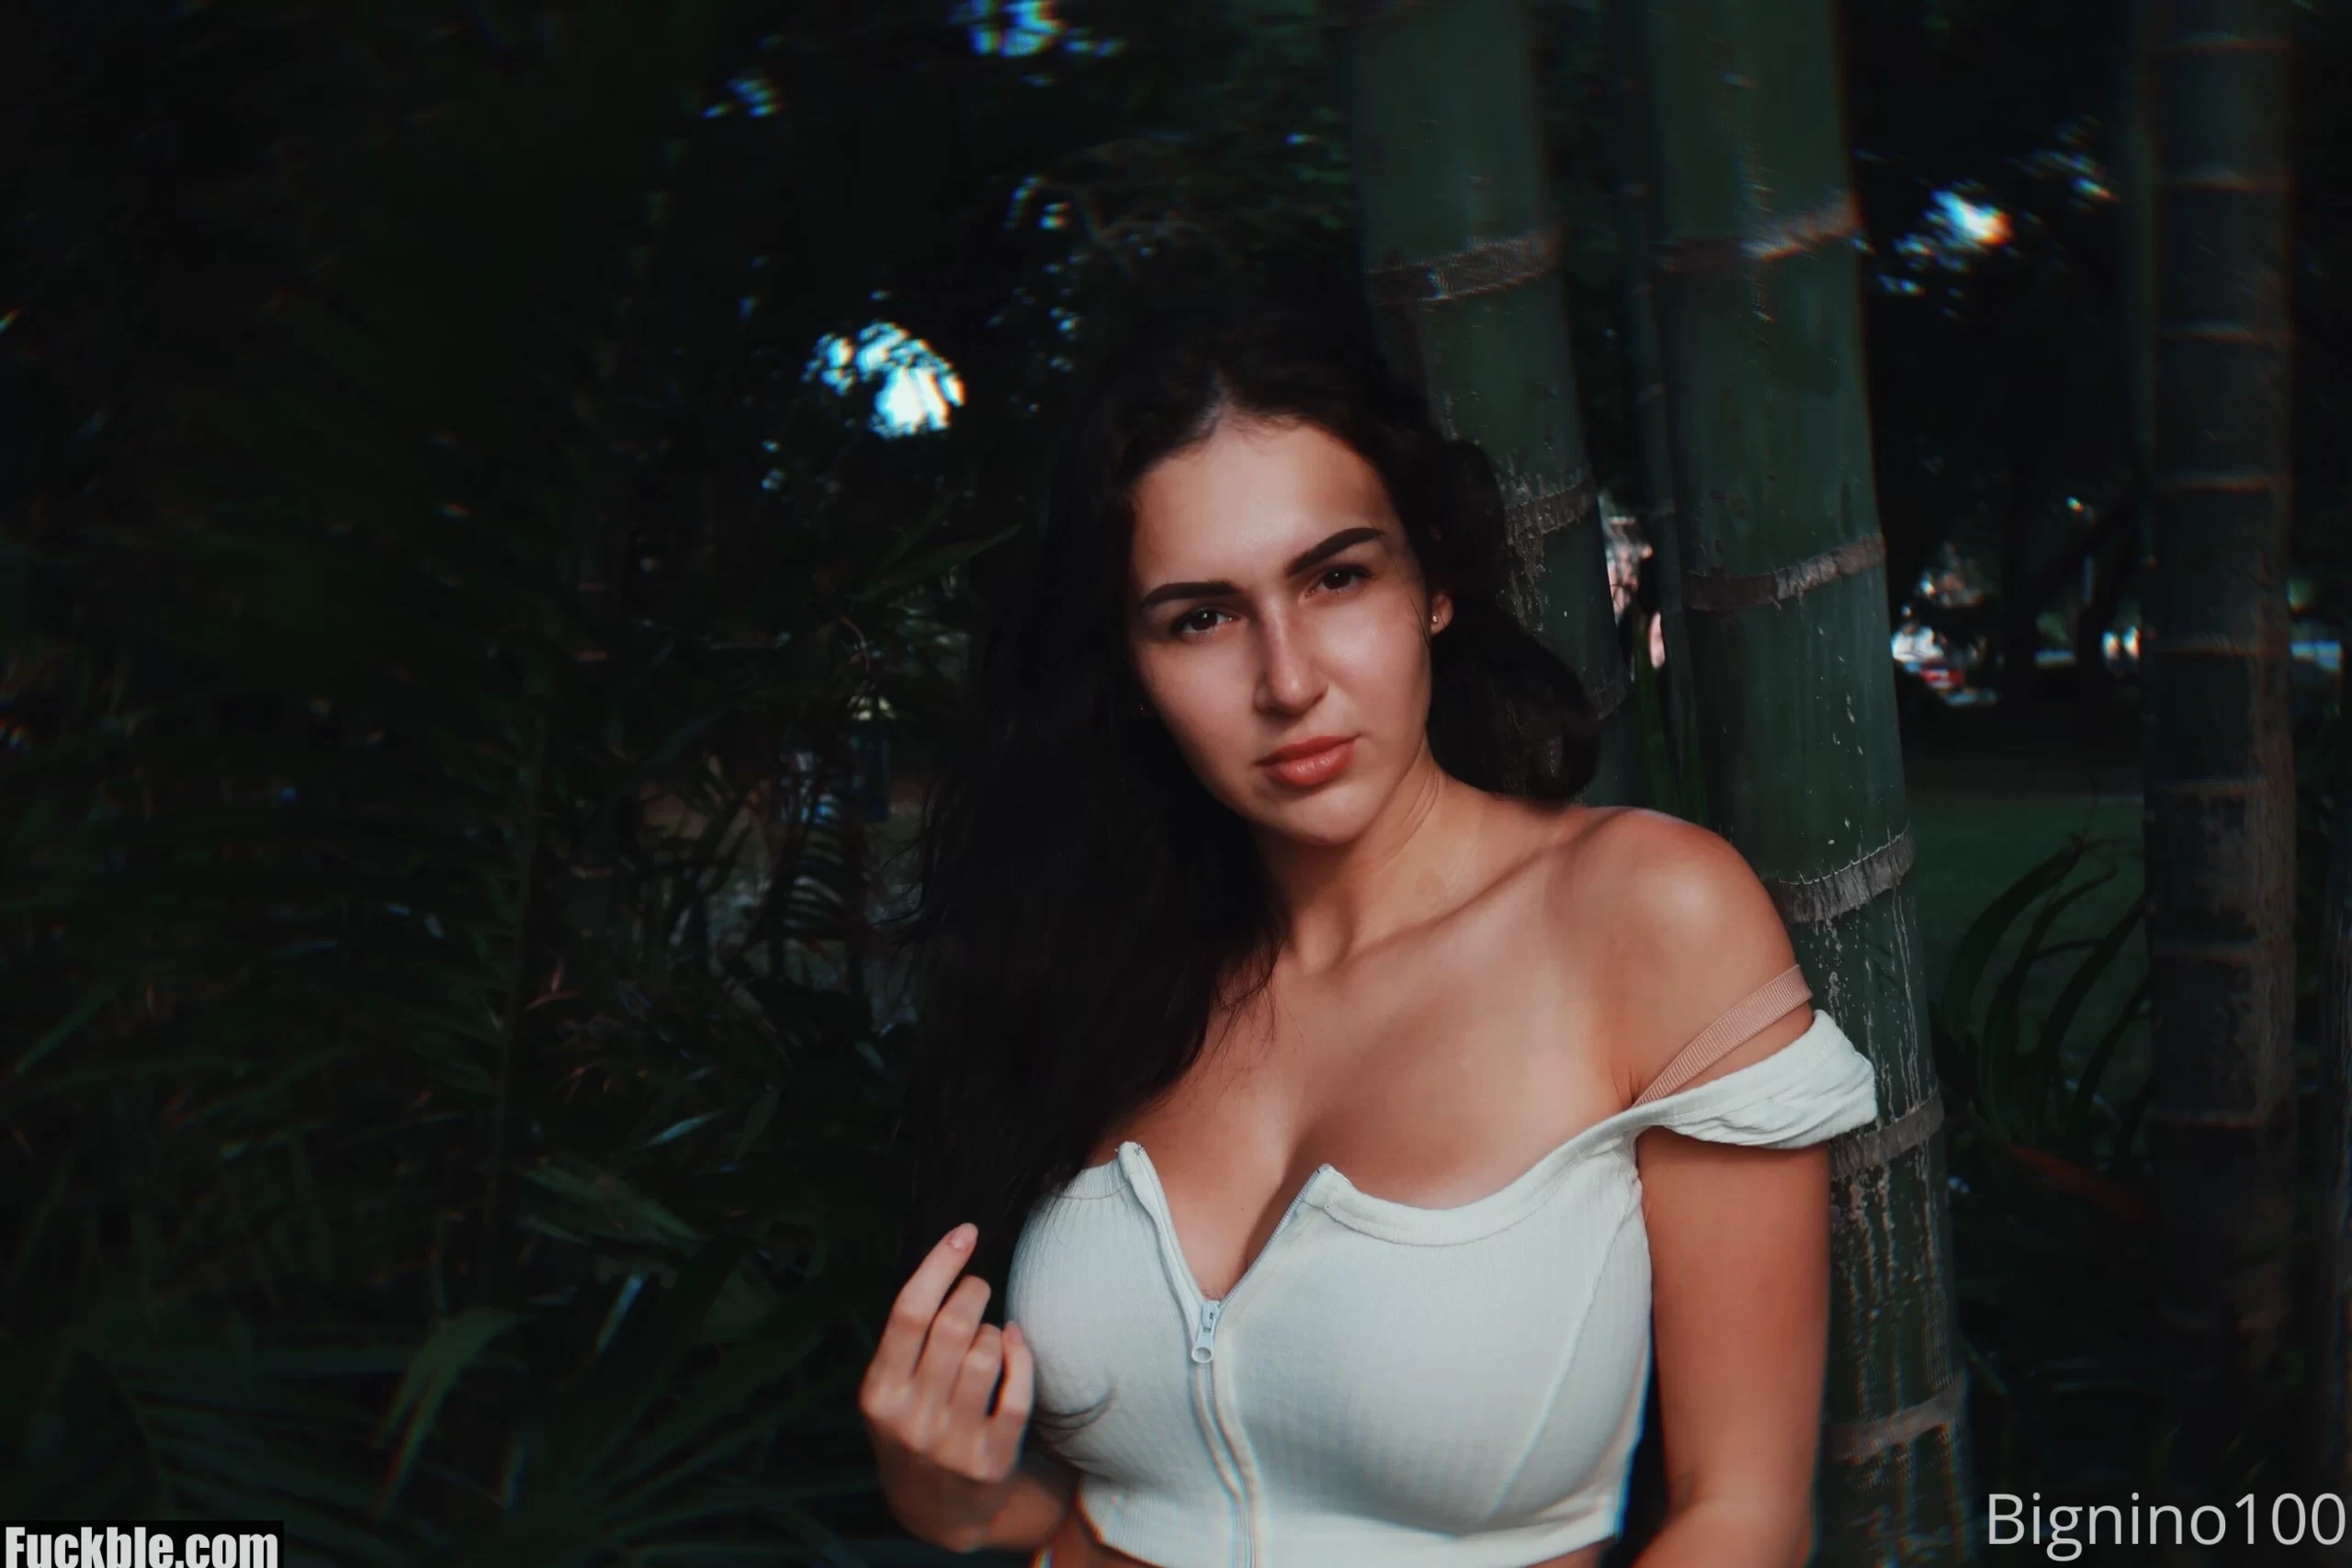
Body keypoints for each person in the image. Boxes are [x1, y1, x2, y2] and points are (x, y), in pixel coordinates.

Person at [858, 297, 1881, 1568]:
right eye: (1201, 617)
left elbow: (1744, 1516)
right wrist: (961, 1506)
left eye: (1336, 577)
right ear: (1129, 668)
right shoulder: (1104, 967)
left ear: (1433, 583)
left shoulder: (1644, 917)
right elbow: (1127, 1507)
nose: (1289, 681)